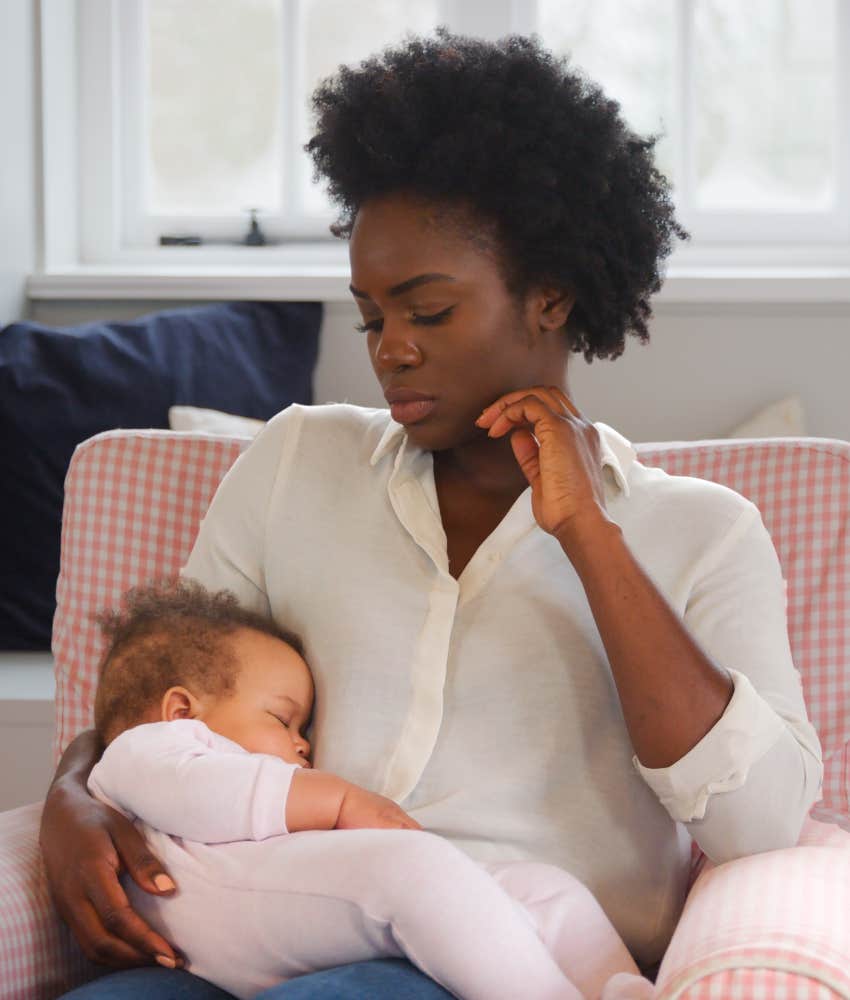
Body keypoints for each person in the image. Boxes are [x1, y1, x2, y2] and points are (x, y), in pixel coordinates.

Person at [43, 28, 823, 1000]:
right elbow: (159, 688)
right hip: (264, 923)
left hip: (512, 958)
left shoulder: (704, 531)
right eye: (373, 316)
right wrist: (70, 797)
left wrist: (588, 535)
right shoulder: (295, 463)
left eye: (429, 311)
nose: (391, 350)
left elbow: (756, 826)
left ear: (550, 296)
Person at [83, 580, 652, 1000]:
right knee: (414, 870)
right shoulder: (143, 754)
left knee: (543, 888)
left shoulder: (188, 760)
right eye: (283, 721)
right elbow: (204, 794)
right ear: (181, 710)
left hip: (290, 916)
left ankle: (622, 987)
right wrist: (339, 800)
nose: (302, 746)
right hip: (244, 913)